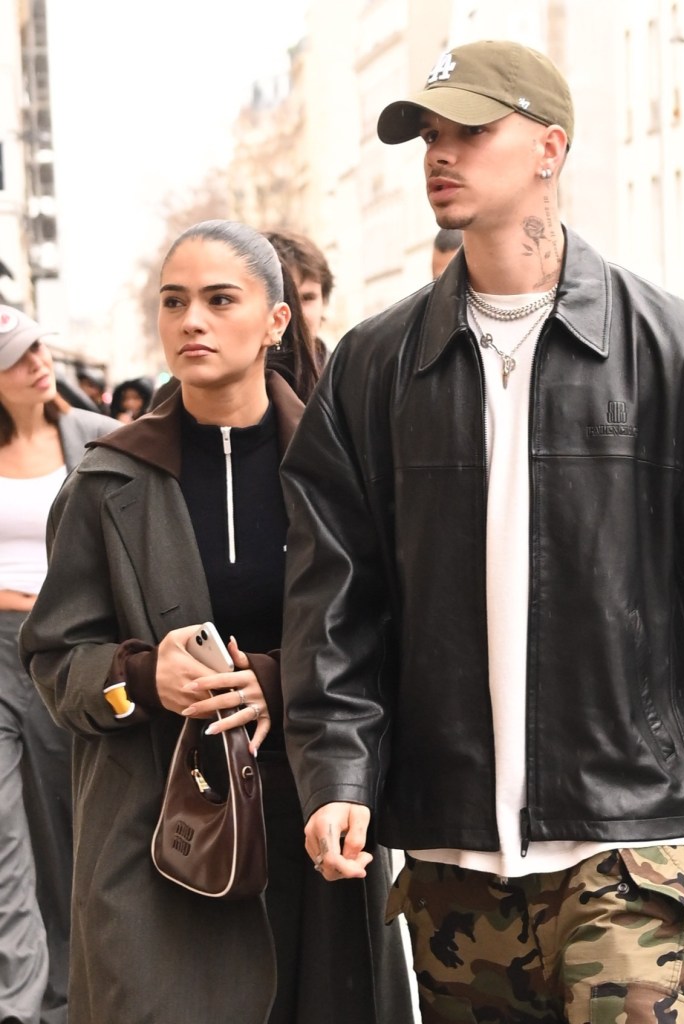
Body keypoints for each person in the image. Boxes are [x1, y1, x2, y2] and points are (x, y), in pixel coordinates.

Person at [277, 40, 684, 1024]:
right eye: (431, 134)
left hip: (624, 846)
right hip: (447, 857)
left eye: (471, 131)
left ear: (549, 149)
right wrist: (338, 768)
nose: (440, 152)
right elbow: (332, 598)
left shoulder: (672, 350)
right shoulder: (374, 366)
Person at [19, 222, 414, 1024]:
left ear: (275, 321)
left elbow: (393, 639)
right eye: (174, 302)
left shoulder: (343, 472)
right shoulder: (106, 480)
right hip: (153, 845)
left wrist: (279, 683)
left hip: (311, 821)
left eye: (218, 299)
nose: (191, 320)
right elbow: (56, 663)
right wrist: (139, 678)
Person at [0, 305, 111, 1024]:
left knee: (73, 836)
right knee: (7, 845)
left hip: (73, 661)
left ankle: (76, 1000)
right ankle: (21, 1007)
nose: (39, 362)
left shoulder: (96, 438)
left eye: (39, 346)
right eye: (18, 356)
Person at [264, 229, 334, 372]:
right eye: (286, 298)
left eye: (307, 298)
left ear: (324, 302)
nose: (297, 313)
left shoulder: (347, 379)